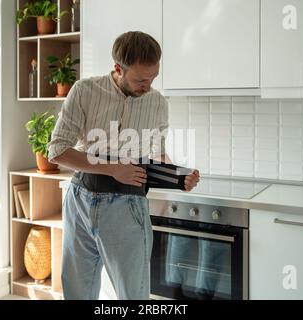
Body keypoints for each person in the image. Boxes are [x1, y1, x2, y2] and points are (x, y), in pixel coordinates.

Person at [47, 31, 200, 300]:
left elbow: (157, 153)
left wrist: (179, 176)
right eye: (141, 79)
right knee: (76, 292)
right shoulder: (84, 91)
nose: (148, 85)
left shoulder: (157, 103)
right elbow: (57, 151)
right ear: (119, 68)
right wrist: (113, 168)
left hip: (127, 205)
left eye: (153, 77)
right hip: (80, 200)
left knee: (133, 295)